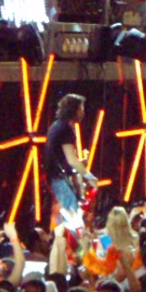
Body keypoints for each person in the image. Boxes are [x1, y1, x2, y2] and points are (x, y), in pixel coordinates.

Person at [45, 94, 98, 228]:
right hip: (59, 179)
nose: (83, 113)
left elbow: (64, 158)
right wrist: (89, 177)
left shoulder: (56, 126)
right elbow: (71, 160)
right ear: (73, 110)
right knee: (72, 220)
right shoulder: (65, 129)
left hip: (54, 178)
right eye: (81, 109)